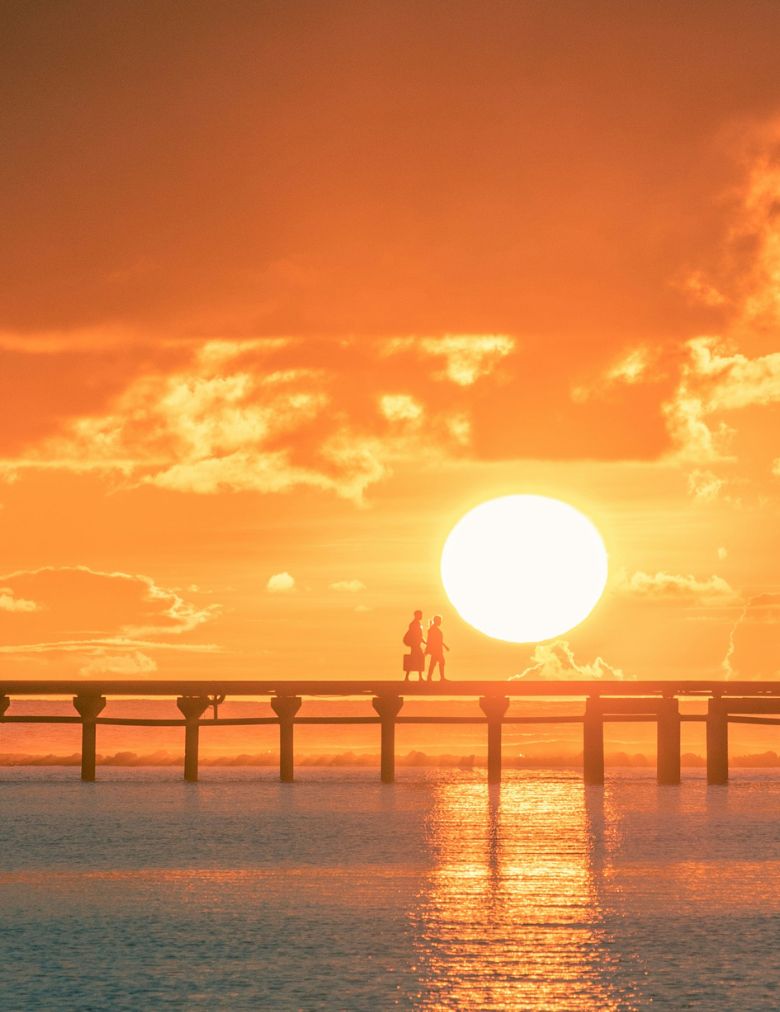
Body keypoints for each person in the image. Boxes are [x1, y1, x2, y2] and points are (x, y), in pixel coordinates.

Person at [403, 610, 426, 682]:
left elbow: (419, 635)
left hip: (416, 644)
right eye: (420, 615)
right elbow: (415, 635)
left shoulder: (416, 623)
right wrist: (420, 641)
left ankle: (409, 677)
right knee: (418, 658)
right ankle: (419, 677)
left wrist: (424, 641)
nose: (421, 616)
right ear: (417, 615)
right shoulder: (414, 624)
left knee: (414, 659)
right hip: (415, 645)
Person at [425, 615, 449, 681]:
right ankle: (441, 678)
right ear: (436, 621)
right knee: (441, 662)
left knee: (433, 663)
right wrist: (428, 649)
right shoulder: (433, 629)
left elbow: (439, 640)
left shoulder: (434, 629)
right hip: (436, 649)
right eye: (440, 621)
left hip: (438, 649)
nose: (440, 622)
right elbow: (430, 640)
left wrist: (445, 646)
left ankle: (429, 677)